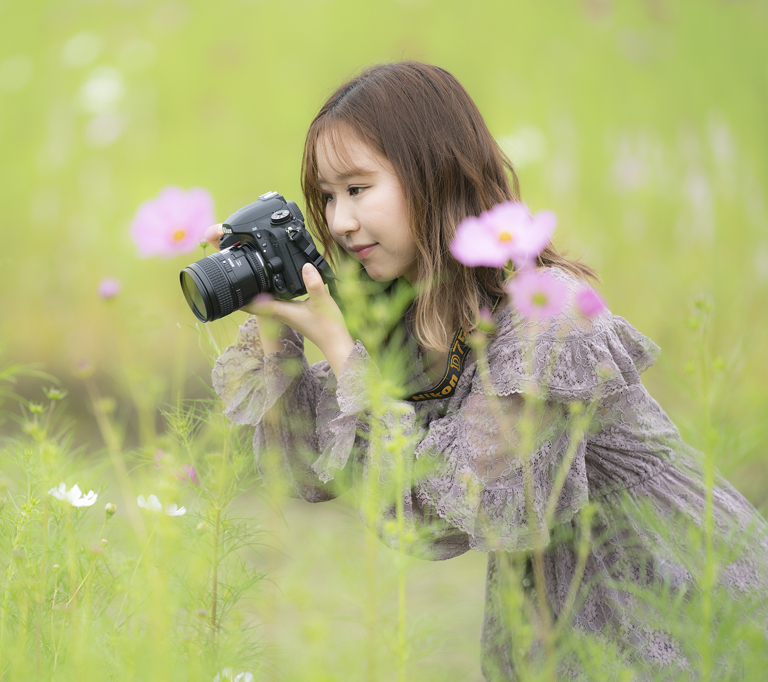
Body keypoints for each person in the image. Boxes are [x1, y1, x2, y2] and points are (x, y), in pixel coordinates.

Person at [207, 62, 768, 679]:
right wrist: (276, 323)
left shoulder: (544, 312)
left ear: (433, 175)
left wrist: (342, 353)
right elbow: (311, 476)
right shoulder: (412, 319)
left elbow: (494, 504)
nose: (339, 221)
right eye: (329, 197)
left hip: (681, 595)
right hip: (556, 623)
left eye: (359, 189)